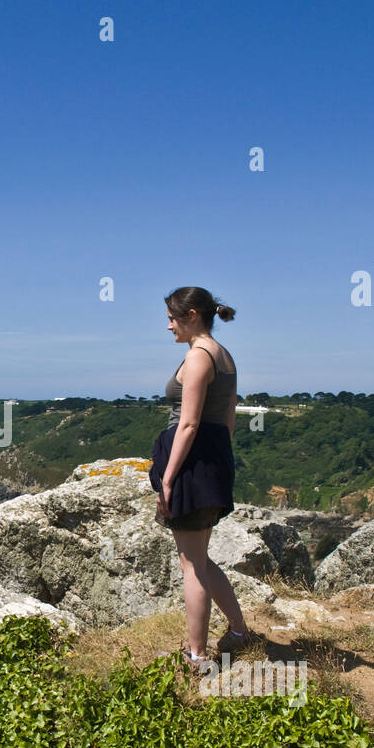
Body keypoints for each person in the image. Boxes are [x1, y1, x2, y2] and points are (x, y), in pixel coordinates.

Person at [152, 287, 252, 673]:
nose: (169, 325)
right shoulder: (225, 357)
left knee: (191, 565)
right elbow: (227, 417)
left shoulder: (198, 357)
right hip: (212, 459)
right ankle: (240, 632)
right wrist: (219, 463)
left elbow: (189, 422)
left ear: (192, 314)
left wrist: (168, 477)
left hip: (191, 464)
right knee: (202, 560)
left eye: (173, 318)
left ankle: (197, 656)